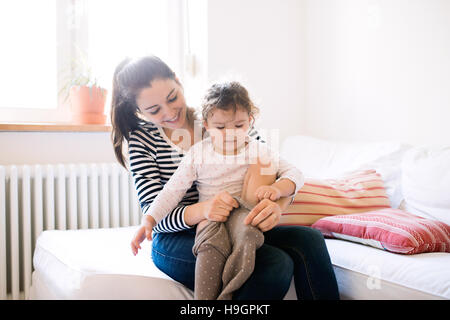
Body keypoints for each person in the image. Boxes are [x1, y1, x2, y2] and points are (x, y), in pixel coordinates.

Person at [111, 55, 340, 300]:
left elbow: (270, 169)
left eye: (172, 98)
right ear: (138, 110)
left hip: (240, 219)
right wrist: (204, 210)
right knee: (275, 263)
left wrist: (277, 205)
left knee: (310, 239)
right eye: (154, 110)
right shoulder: (142, 140)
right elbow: (158, 211)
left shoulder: (224, 113)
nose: (169, 112)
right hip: (179, 237)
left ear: (178, 82)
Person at [138, 80, 304, 300]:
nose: (230, 133)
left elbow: (295, 174)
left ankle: (228, 293)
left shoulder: (258, 150)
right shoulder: (198, 154)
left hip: (243, 217)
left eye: (239, 125)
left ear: (250, 121)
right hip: (211, 220)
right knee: (210, 250)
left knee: (248, 236)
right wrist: (149, 220)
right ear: (206, 124)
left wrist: (277, 189)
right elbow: (171, 192)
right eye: (220, 127)